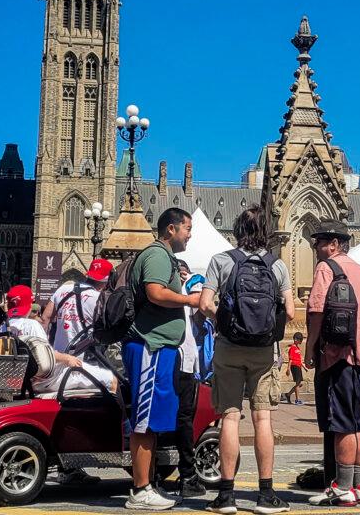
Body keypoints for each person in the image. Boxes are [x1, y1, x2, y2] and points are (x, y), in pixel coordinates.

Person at [200, 206, 294, 515]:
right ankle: (266, 494)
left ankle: (226, 496)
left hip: (228, 347)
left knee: (229, 417)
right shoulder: (277, 265)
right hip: (264, 352)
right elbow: (291, 312)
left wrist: (225, 322)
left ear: (238, 230)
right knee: (262, 419)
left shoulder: (222, 261)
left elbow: (204, 304)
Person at [123, 208, 199, 510]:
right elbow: (154, 293)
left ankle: (147, 484)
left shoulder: (164, 257)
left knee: (153, 421)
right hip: (149, 346)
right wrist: (188, 299)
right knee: (144, 421)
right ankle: (140, 489)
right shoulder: (156, 254)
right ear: (171, 229)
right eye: (187, 228)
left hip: (159, 348)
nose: (190, 234)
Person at [304, 219, 360, 507]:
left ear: (334, 244)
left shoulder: (327, 268)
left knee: (342, 423)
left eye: (319, 242)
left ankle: (341, 486)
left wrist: (310, 347)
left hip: (339, 355)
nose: (316, 248)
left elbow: (316, 310)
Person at [174, 259, 207, 499]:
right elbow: (201, 315)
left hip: (161, 357)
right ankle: (187, 475)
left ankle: (151, 473)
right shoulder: (191, 285)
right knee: (185, 417)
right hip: (183, 358)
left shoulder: (160, 286)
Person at [46, 258, 112, 355]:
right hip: (84, 355)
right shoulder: (99, 298)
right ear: (106, 280)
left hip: (59, 353)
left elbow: (45, 318)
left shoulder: (62, 289)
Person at [282, 332, 305, 405]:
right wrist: (288, 368)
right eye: (299, 339)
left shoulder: (298, 348)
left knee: (299, 383)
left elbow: (299, 359)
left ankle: (288, 395)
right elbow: (291, 359)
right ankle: (297, 400)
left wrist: (304, 367)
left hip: (298, 366)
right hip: (294, 366)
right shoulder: (292, 347)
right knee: (298, 383)